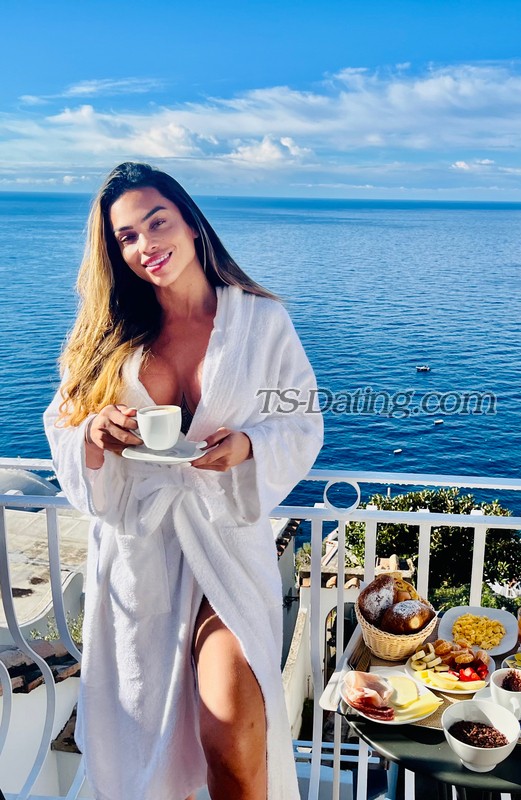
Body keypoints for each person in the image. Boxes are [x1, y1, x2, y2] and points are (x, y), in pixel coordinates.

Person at [43, 162, 323, 800]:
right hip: (139, 556)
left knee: (231, 740)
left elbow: (301, 420)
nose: (146, 244)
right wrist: (94, 434)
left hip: (225, 540)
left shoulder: (261, 322)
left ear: (191, 223)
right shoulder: (104, 336)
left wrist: (249, 446)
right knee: (149, 752)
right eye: (127, 237)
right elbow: (64, 423)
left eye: (157, 222)